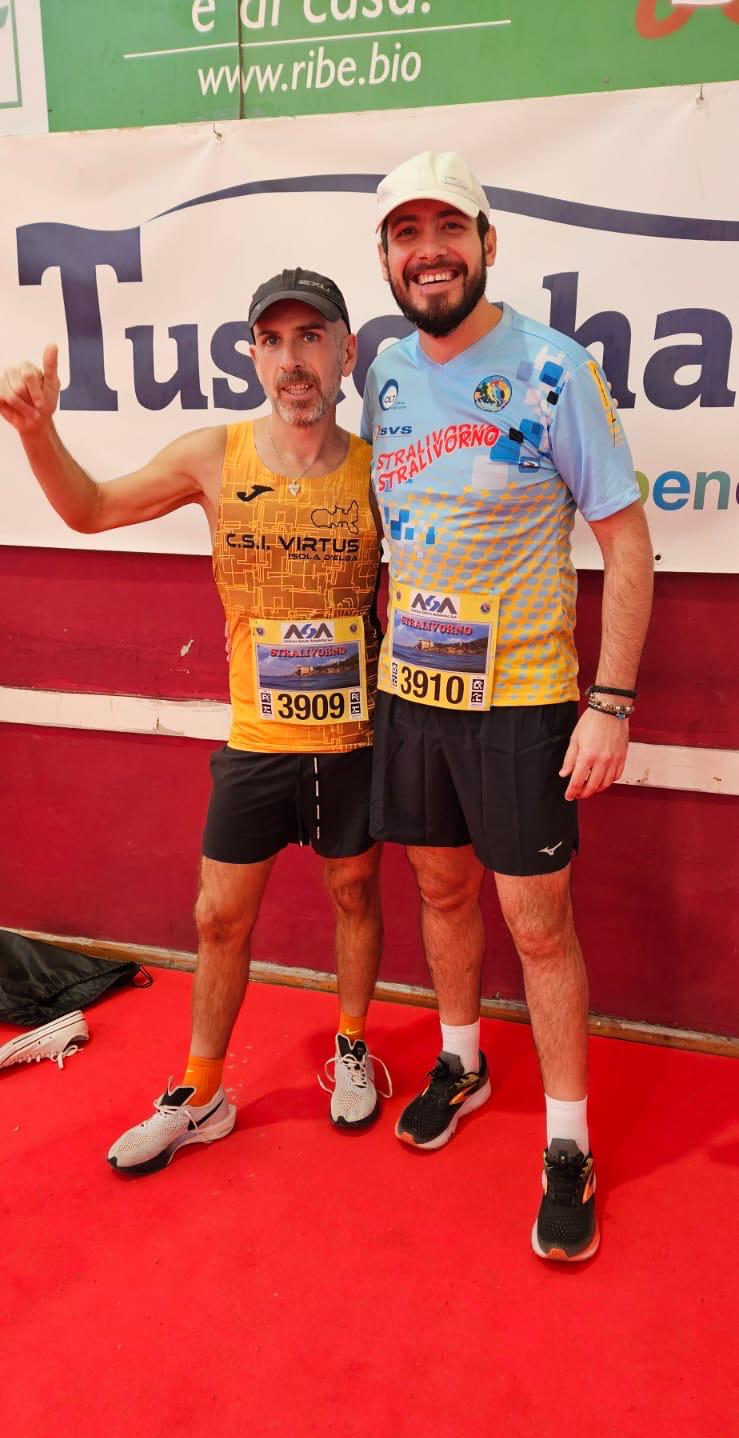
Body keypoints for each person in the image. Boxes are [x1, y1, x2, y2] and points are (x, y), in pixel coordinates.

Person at [0, 267, 389, 1173]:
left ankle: (351, 1044)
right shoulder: (213, 454)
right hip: (256, 737)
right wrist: (37, 432)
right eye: (273, 341)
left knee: (355, 893)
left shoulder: (379, 470)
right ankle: (201, 1091)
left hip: (354, 735)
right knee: (218, 917)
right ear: (253, 356)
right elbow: (91, 509)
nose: (292, 361)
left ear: (346, 353)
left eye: (311, 337)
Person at [361, 151, 654, 1261]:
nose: (428, 250)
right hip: (411, 692)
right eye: (406, 233)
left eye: (448, 228)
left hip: (524, 701)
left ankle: (568, 1143)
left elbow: (626, 542)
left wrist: (609, 701)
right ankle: (462, 1060)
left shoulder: (552, 367)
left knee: (536, 924)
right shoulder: (385, 372)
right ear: (387, 257)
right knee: (440, 890)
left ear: (487, 243)